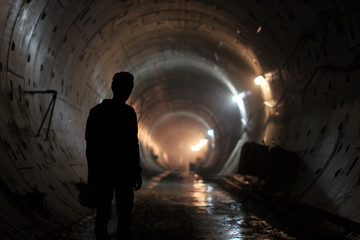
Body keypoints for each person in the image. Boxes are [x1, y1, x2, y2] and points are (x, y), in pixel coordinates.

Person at [85, 72, 142, 240]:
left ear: (112, 87)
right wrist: (136, 171)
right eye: (128, 87)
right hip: (124, 173)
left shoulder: (96, 112)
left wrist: (91, 175)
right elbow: (133, 145)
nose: (128, 90)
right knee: (124, 216)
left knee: (102, 214)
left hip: (103, 172)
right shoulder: (129, 113)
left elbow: (91, 145)